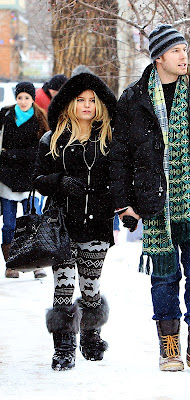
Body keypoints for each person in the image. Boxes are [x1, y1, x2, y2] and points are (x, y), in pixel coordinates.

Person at [109, 24, 190, 375]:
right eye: (176, 50)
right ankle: (170, 345)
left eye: (185, 50)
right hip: (154, 201)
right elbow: (120, 156)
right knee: (163, 275)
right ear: (159, 57)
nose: (184, 56)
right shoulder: (134, 98)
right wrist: (124, 202)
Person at [33, 72, 117, 371]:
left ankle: (91, 334)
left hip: (97, 223)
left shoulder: (109, 137)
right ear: (69, 103)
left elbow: (120, 179)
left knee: (90, 286)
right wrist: (61, 181)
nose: (86, 105)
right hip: (63, 225)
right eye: (80, 100)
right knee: (63, 287)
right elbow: (38, 180)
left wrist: (122, 205)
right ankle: (64, 345)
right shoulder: (52, 138)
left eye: (92, 100)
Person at [0, 82, 49, 279]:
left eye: (27, 98)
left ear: (32, 98)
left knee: (33, 221)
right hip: (6, 179)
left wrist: (13, 155)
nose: (23, 101)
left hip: (30, 180)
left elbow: (42, 149)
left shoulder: (40, 118)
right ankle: (11, 263)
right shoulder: (5, 116)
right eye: (19, 97)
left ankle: (35, 262)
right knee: (9, 224)